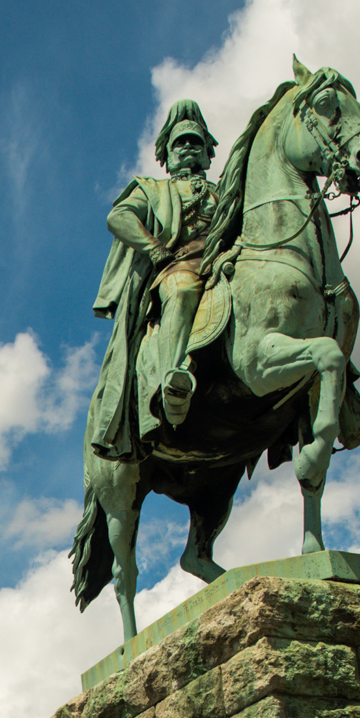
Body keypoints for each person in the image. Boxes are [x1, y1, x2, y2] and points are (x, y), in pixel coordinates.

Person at [86, 100, 221, 454]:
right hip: (178, 266)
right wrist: (155, 249)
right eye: (180, 143)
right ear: (167, 155)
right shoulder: (152, 190)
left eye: (196, 142)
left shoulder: (227, 193)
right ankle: (171, 383)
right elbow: (119, 218)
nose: (189, 147)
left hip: (224, 265)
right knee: (181, 292)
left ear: (208, 154)